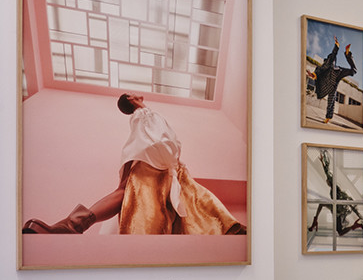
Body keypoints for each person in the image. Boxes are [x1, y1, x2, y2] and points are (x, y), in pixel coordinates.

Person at [22, 94, 246, 236]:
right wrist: (163, 160)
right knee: (139, 191)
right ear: (131, 98)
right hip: (156, 160)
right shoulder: (145, 114)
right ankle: (71, 226)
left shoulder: (144, 116)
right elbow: (159, 140)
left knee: (183, 195)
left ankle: (71, 226)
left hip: (159, 162)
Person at [308, 150, 363, 236]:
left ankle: (355, 226)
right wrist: (323, 163)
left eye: (327, 181)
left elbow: (328, 174)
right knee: (322, 204)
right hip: (336, 208)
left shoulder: (335, 188)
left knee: (340, 231)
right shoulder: (334, 189)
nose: (326, 181)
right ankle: (315, 221)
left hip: (338, 209)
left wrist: (323, 163)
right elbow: (328, 175)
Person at [312, 36, 357, 123]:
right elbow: (320, 70)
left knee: (331, 100)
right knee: (331, 100)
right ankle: (347, 54)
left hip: (335, 78)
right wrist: (313, 75)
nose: (332, 60)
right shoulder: (326, 64)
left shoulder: (329, 64)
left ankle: (328, 117)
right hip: (334, 78)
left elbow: (333, 55)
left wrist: (337, 46)